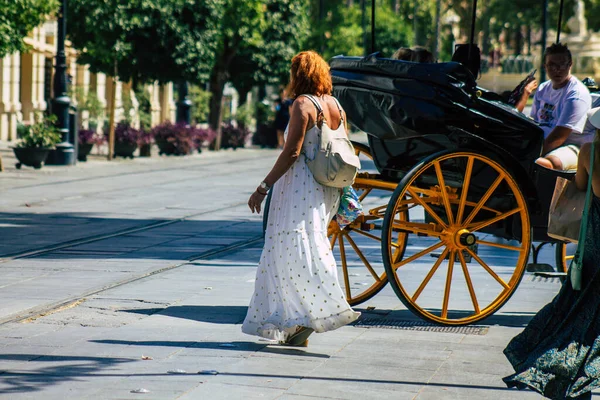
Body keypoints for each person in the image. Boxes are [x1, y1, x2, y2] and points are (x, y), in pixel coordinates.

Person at [243, 50, 361, 347]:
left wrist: (263, 186)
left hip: (299, 186)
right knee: (311, 241)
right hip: (326, 187)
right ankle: (298, 321)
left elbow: (292, 152)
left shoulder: (302, 105)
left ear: (299, 75)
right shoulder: (336, 105)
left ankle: (320, 309)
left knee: (287, 247)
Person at [503, 107, 600, 400]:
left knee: (579, 300)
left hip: (596, 233)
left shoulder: (588, 151)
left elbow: (581, 186)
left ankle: (555, 361)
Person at [530, 43, 592, 170]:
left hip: (572, 145)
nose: (557, 69)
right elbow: (533, 123)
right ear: (545, 66)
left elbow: (560, 136)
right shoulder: (542, 89)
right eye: (552, 65)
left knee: (550, 162)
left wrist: (531, 155)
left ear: (570, 64)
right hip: (542, 141)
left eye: (562, 64)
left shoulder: (576, 94)